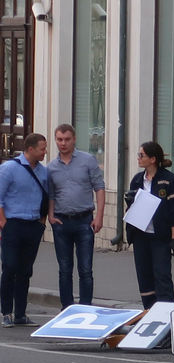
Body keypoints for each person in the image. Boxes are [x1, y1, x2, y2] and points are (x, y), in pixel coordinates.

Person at [47, 123, 105, 309]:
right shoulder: (51, 167)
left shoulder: (88, 160)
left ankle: (86, 307)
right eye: (59, 139)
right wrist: (50, 215)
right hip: (61, 222)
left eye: (67, 139)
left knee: (85, 269)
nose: (63, 143)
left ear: (74, 140)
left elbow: (99, 187)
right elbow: (51, 194)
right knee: (64, 269)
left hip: (84, 220)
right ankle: (67, 308)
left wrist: (99, 217)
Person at [125, 141, 174, 309]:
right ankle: (148, 313)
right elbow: (131, 208)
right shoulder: (137, 180)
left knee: (162, 276)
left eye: (141, 155)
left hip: (160, 236)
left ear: (152, 159)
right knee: (144, 277)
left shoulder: (168, 180)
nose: (138, 158)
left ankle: (167, 315)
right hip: (140, 236)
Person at [0, 133, 49, 328]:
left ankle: (20, 313)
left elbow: (47, 198)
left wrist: (41, 223)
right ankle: (5, 311)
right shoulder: (9, 169)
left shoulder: (43, 172)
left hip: (33, 225)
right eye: (42, 149)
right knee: (10, 267)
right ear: (30, 149)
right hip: (12, 224)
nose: (45, 152)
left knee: (25, 271)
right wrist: (3, 222)